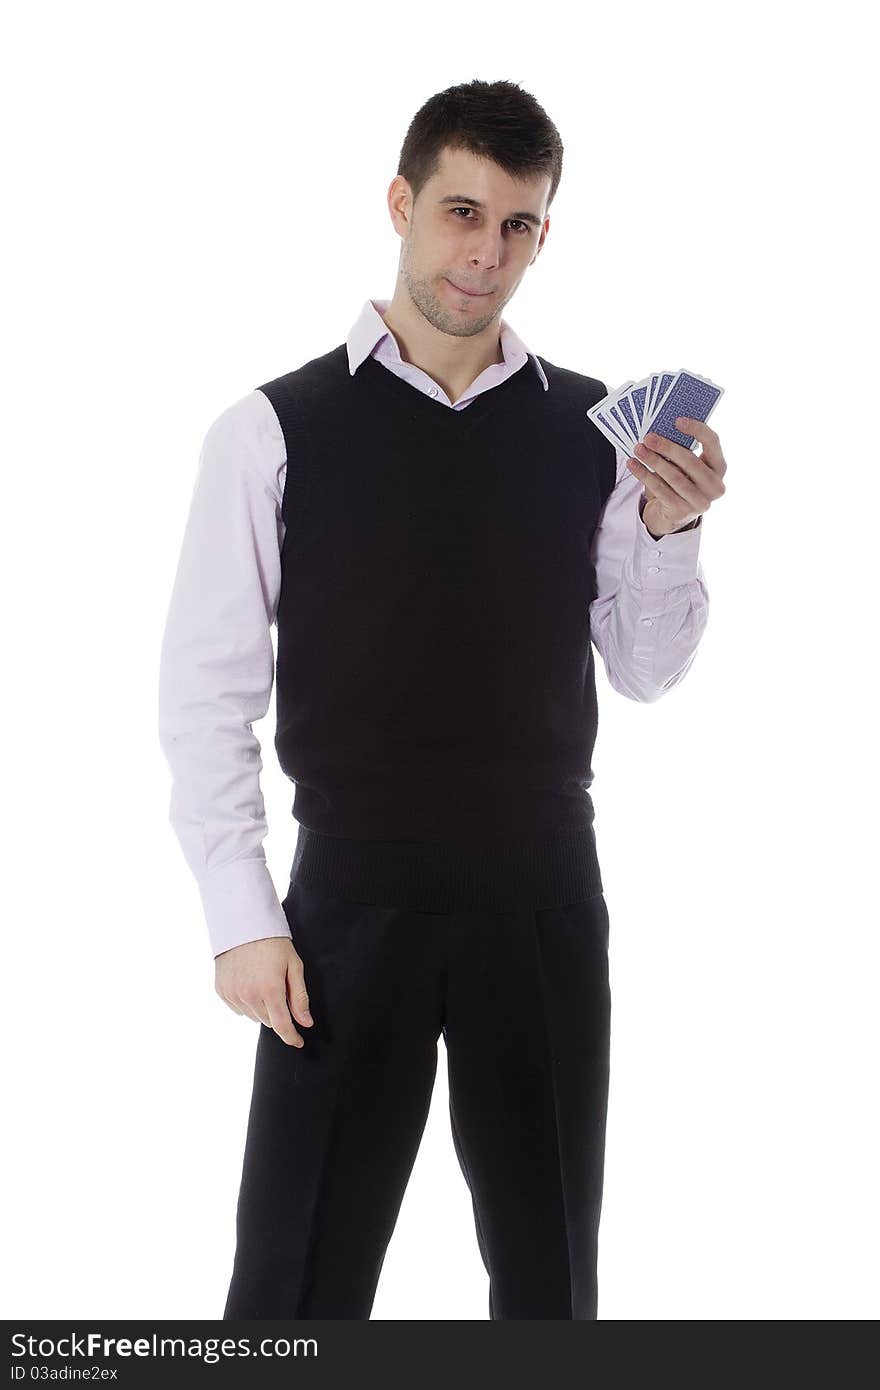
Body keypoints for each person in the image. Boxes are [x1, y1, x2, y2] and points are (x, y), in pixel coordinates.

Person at [158, 78, 724, 1321]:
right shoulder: (268, 430)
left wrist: (671, 530)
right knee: (292, 1284)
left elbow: (642, 669)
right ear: (403, 203)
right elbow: (205, 689)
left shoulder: (598, 431)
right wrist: (240, 913)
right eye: (462, 211)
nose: (486, 251)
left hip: (541, 895)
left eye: (518, 224)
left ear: (542, 235)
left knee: (548, 1277)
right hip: (345, 902)